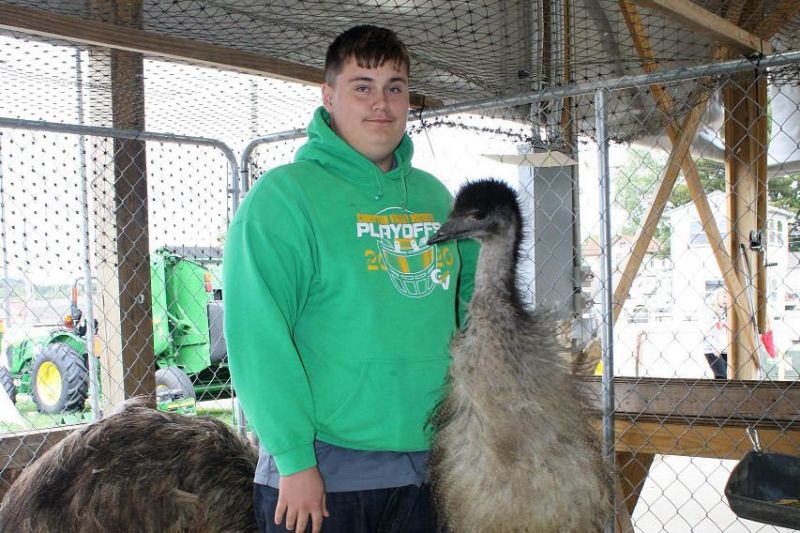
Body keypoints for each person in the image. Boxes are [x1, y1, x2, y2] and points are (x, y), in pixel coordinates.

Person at [223, 25, 477, 533]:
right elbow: (258, 337)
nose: (381, 103)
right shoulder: (285, 198)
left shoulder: (435, 198)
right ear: (329, 95)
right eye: (362, 86)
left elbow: (471, 311)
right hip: (324, 470)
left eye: (395, 87)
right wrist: (295, 461)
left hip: (433, 463)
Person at [703, 289, 730, 379]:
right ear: (717, 297)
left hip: (725, 349)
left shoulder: (727, 313)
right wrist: (715, 347)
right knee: (721, 376)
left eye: (728, 297)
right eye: (724, 296)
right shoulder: (709, 312)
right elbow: (707, 333)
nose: (726, 300)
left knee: (724, 377)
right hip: (712, 349)